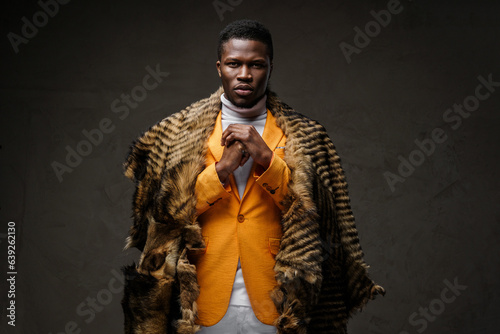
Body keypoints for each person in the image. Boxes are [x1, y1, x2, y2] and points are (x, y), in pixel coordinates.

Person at [121, 19, 384, 334]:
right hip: (196, 304)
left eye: (256, 65)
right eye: (234, 63)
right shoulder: (175, 133)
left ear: (270, 67)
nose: (244, 74)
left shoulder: (308, 135)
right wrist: (220, 170)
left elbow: (322, 218)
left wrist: (267, 160)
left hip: (280, 304)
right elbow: (160, 219)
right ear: (219, 67)